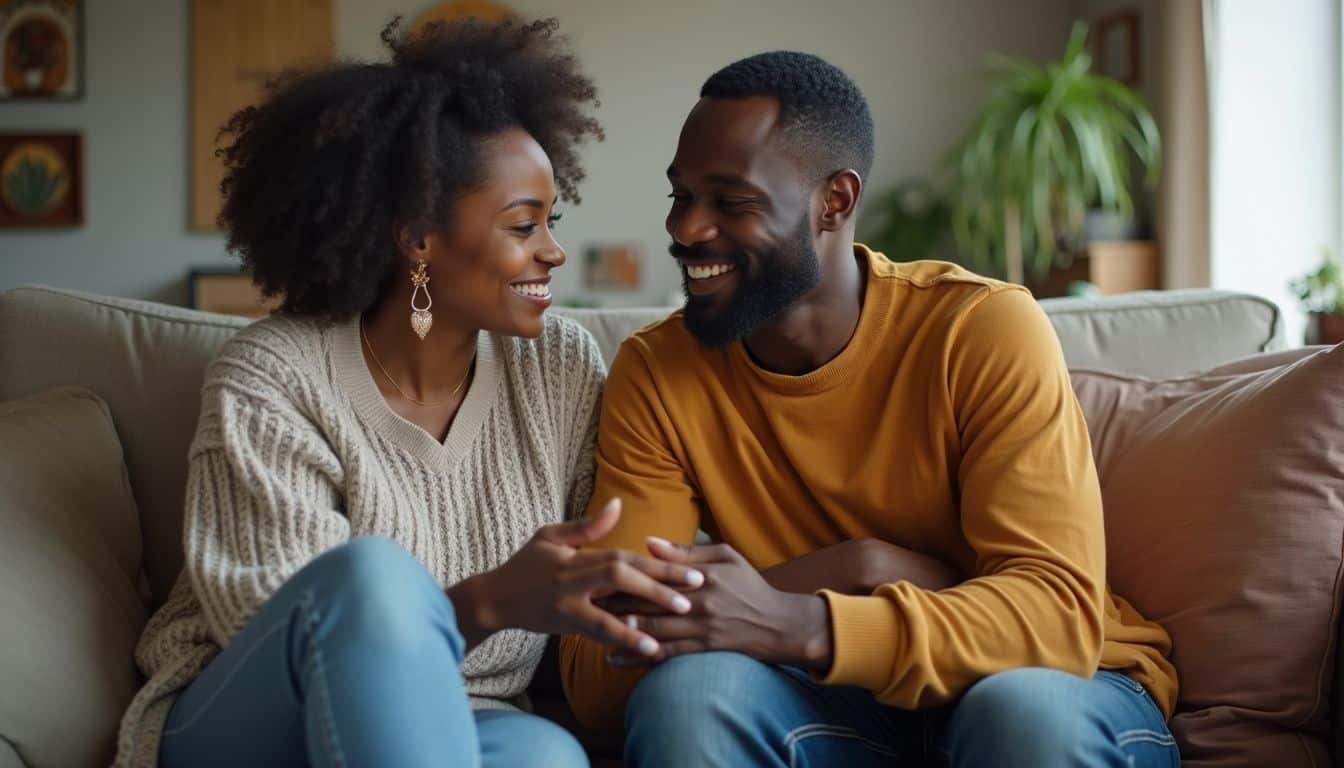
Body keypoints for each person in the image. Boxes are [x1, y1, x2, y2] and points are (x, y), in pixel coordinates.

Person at [560, 51, 1180, 767]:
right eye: (681, 195)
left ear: (835, 200)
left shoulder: (978, 329)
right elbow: (596, 670)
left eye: (731, 201)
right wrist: (852, 570)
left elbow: (1056, 619)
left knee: (1020, 715)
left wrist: (803, 618)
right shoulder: (659, 372)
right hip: (830, 702)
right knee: (690, 697)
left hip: (1057, 687)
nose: (688, 227)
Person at [113, 18, 704, 768]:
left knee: (547, 757)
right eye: (524, 226)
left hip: (463, 717)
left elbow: (608, 564)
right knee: (372, 576)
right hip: (251, 716)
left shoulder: (556, 367)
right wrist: (492, 600)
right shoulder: (273, 376)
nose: (554, 251)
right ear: (418, 236)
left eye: (552, 221)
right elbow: (298, 632)